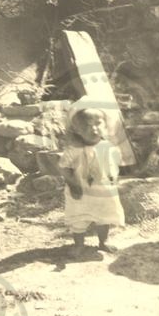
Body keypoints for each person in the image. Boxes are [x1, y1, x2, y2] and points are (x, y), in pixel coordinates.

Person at [59, 100, 125, 256]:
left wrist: (113, 178)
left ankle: (103, 242)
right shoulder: (74, 149)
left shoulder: (108, 146)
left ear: (105, 125)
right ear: (77, 130)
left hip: (102, 190)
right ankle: (79, 245)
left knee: (104, 217)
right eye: (86, 126)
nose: (93, 129)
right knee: (79, 218)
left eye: (97, 123)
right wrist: (73, 184)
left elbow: (113, 164)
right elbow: (63, 167)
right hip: (80, 190)